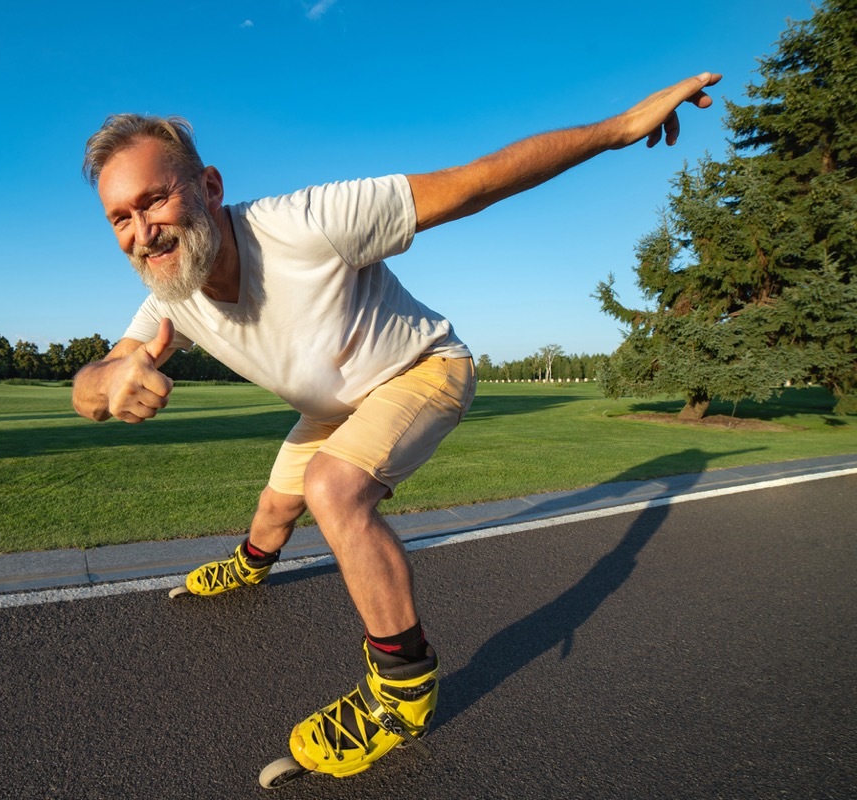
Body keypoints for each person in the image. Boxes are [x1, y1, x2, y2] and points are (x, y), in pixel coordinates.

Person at [73, 72, 722, 781]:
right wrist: (107, 381)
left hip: (421, 370)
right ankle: (248, 566)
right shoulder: (172, 292)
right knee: (274, 506)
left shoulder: (306, 223)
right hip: (332, 407)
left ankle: (403, 689)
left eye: (154, 199)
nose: (142, 233)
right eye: (120, 219)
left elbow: (476, 181)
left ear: (209, 187)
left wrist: (620, 128)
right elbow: (99, 377)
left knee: (332, 486)